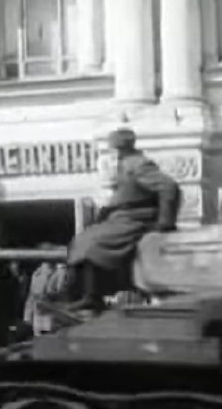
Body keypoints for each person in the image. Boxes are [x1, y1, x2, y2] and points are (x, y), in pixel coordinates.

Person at [67, 128, 180, 313]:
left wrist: (165, 222)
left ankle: (91, 296)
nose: (113, 150)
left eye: (115, 146)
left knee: (91, 243)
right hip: (122, 217)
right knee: (82, 239)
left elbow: (169, 187)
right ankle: (81, 294)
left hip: (136, 218)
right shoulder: (125, 163)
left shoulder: (138, 164)